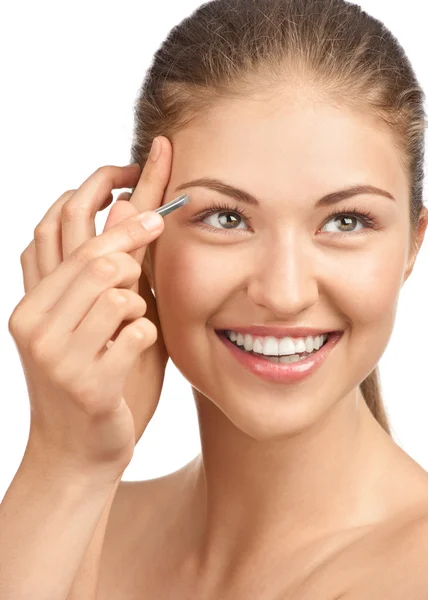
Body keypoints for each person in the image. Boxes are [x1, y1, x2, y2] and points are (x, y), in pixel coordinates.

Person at [2, 0, 428, 597]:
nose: (283, 293)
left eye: (347, 221)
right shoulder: (76, 520)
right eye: (226, 218)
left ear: (412, 243)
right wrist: (70, 459)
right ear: (139, 238)